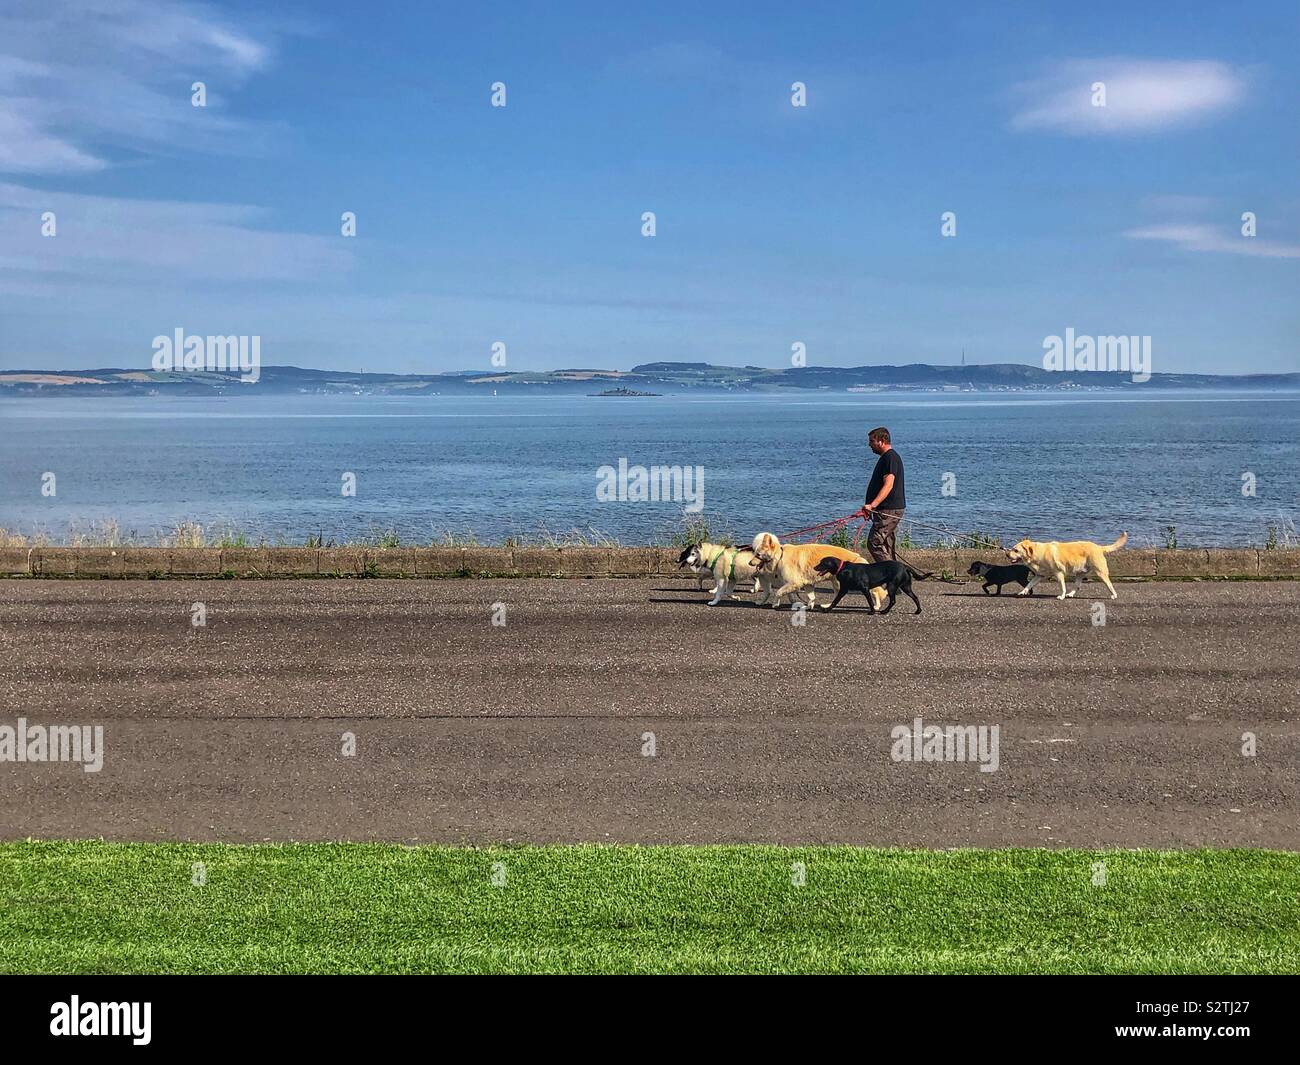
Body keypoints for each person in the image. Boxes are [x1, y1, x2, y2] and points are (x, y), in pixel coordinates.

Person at [862, 426, 905, 562]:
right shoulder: (887, 458)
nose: (869, 445)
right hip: (886, 509)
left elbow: (889, 484)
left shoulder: (890, 458)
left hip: (889, 509)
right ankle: (895, 579)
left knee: (875, 542)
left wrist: (872, 505)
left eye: (872, 441)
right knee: (886, 544)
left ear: (882, 440)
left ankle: (890, 575)